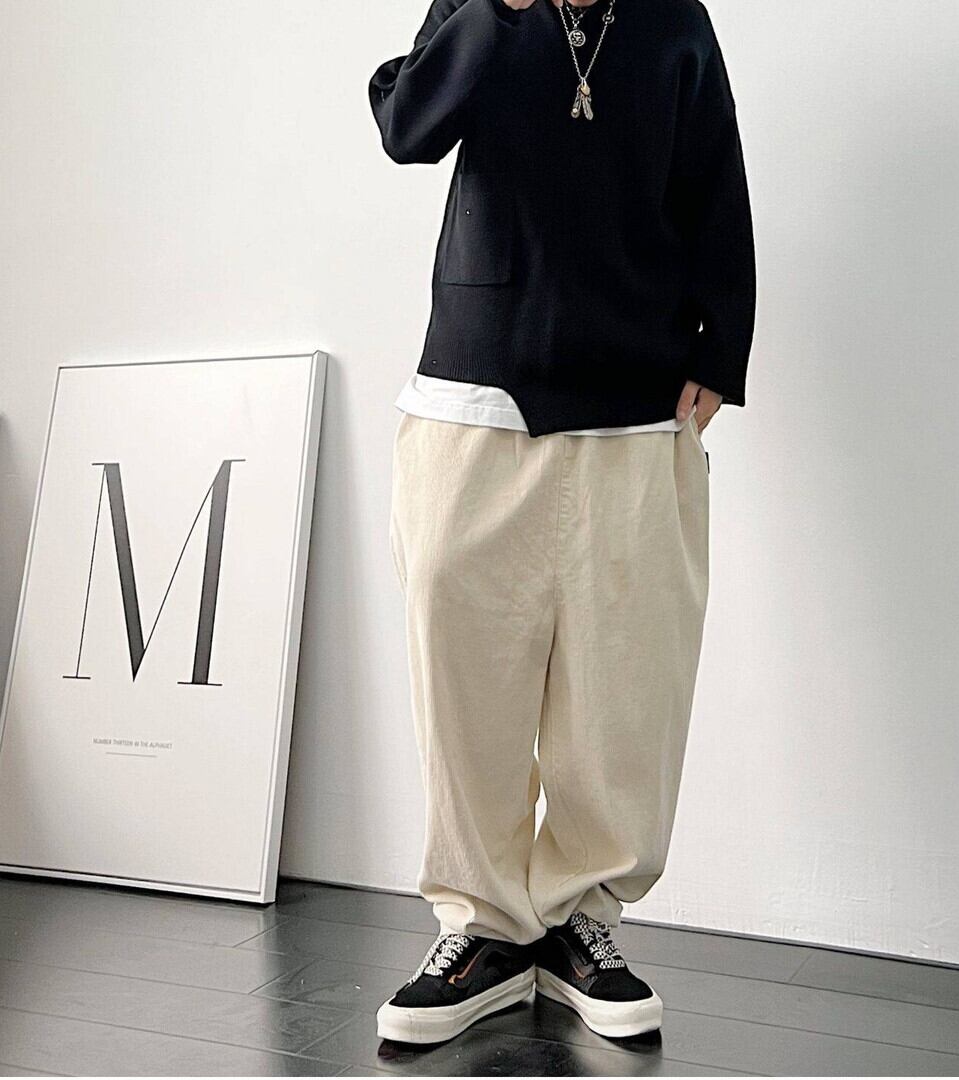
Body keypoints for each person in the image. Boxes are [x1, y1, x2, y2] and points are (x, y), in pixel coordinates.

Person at [369, 0, 755, 1045]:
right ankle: (483, 930)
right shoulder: (479, 8)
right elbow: (408, 127)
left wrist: (722, 347)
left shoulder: (673, 19)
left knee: (626, 685)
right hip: (476, 385)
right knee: (462, 673)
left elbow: (715, 176)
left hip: (636, 396)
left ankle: (582, 923)